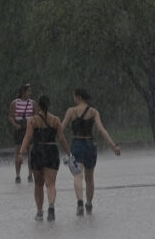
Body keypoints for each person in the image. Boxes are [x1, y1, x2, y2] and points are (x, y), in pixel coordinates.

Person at [61, 87, 120, 216]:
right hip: (90, 145)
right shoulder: (93, 112)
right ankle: (89, 204)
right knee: (89, 179)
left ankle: (80, 202)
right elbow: (101, 129)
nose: (74, 99)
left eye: (74, 96)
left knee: (77, 175)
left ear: (78, 97)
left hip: (76, 145)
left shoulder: (71, 111)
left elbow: (60, 130)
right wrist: (113, 145)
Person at [17, 95, 72, 222]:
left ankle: (39, 212)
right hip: (51, 151)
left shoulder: (32, 120)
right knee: (51, 183)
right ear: (49, 105)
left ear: (38, 106)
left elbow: (27, 137)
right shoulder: (56, 120)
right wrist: (69, 153)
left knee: (38, 184)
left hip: (37, 151)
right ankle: (51, 206)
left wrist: (21, 153)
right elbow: (62, 139)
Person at [8, 83, 35, 183]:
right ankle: (18, 175)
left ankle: (30, 174)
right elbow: (10, 116)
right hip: (19, 129)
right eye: (28, 91)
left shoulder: (33, 103)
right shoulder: (15, 103)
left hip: (29, 127)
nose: (30, 93)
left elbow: (36, 115)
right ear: (23, 92)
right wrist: (15, 125)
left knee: (30, 153)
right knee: (18, 152)